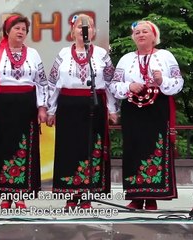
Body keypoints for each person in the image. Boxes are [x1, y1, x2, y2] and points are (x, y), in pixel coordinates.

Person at [46, 14, 118, 209]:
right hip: (69, 106)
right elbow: (53, 84)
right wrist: (50, 110)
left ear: (94, 32)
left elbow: (111, 83)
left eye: (89, 26)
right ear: (73, 31)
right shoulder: (63, 53)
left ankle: (88, 193)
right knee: (69, 148)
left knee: (92, 147)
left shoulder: (102, 54)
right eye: (80, 26)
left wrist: (112, 109)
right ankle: (71, 194)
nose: (84, 30)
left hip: (94, 104)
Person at [110, 20, 184, 210]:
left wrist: (162, 80)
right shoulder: (126, 59)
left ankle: (152, 197)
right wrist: (129, 86)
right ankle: (135, 197)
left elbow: (178, 82)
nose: (141, 34)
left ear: (154, 36)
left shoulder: (166, 56)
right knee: (133, 149)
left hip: (157, 109)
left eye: (145, 31)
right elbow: (114, 86)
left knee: (155, 148)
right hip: (133, 109)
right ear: (133, 37)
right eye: (137, 32)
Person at [0, 14, 48, 209]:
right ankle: (3, 194)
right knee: (2, 147)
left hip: (26, 106)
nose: (21, 32)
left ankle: (21, 195)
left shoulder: (33, 54)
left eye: (24, 29)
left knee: (24, 147)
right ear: (7, 31)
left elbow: (41, 82)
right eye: (17, 28)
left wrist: (42, 107)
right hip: (2, 107)